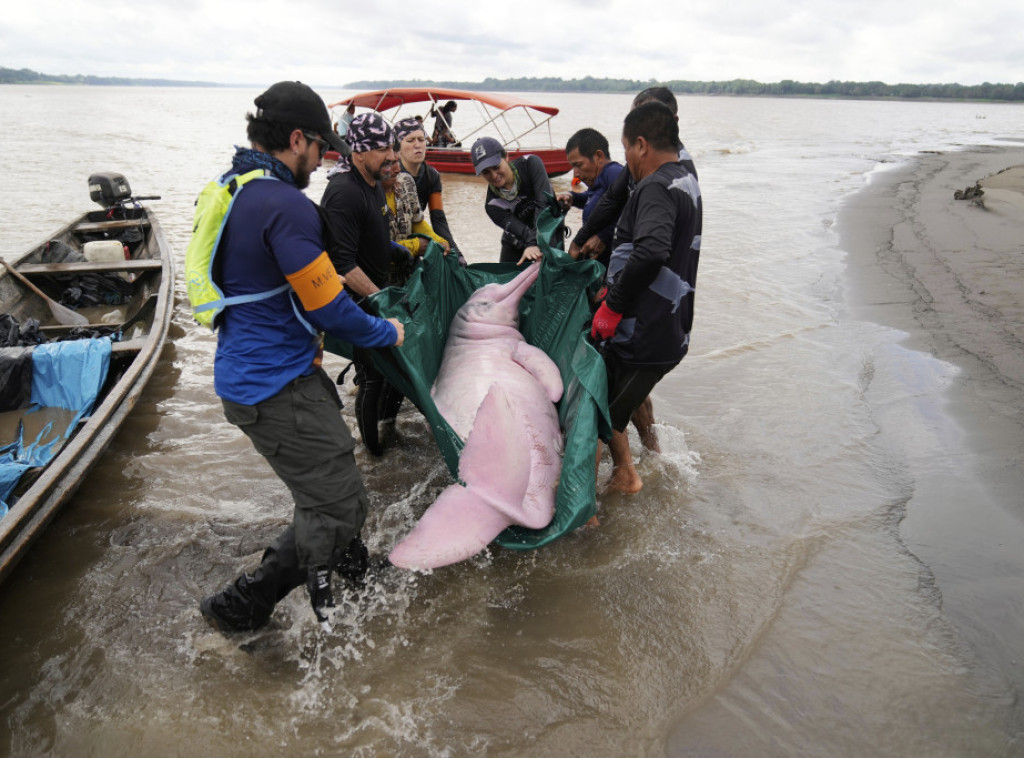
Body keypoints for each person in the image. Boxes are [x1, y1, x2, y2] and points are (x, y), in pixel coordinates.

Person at [197, 81, 405, 634]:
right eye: (320, 146)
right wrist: (386, 331)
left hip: (265, 375)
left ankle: (352, 568)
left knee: (333, 483)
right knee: (337, 502)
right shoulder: (282, 204)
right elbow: (330, 308)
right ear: (296, 139)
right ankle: (244, 606)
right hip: (273, 387)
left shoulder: (243, 188)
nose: (323, 158)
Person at [573, 87, 697, 454]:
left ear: (642, 143)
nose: (623, 158)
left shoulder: (657, 185)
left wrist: (613, 304)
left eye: (625, 146)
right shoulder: (681, 176)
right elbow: (616, 203)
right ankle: (647, 457)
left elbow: (652, 250)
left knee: (594, 418)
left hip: (644, 331)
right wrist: (582, 238)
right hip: (668, 329)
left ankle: (591, 508)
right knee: (620, 405)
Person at [320, 113, 407, 457]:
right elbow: (342, 264)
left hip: (374, 295)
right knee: (371, 378)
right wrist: (380, 299)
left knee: (390, 373)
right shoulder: (343, 192)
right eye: (383, 148)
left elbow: (370, 236)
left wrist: (400, 252)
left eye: (390, 146)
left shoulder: (370, 182)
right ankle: (373, 454)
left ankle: (386, 431)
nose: (392, 155)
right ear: (358, 153)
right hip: (357, 301)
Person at [471, 136, 553, 264]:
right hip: (517, 239)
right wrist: (531, 244)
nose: (494, 175)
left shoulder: (531, 164)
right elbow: (523, 232)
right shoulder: (492, 205)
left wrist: (534, 243)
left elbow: (544, 204)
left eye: (496, 166)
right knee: (505, 280)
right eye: (486, 172)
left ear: (506, 157)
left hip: (548, 230)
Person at [393, 117, 463, 259]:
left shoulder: (432, 176)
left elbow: (438, 218)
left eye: (421, 139)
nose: (417, 145)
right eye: (410, 140)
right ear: (397, 146)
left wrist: (455, 252)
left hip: (417, 233)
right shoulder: (391, 175)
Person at [555, 128, 624, 269]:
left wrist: (604, 236)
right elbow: (593, 198)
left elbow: (633, 207)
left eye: (579, 165)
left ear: (598, 156)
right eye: (573, 167)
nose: (576, 174)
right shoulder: (599, 183)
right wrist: (572, 197)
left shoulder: (613, 172)